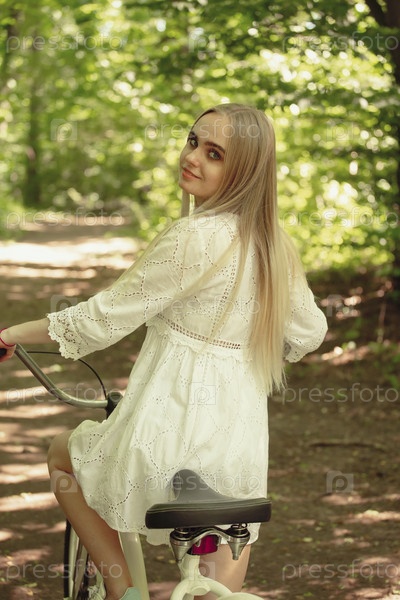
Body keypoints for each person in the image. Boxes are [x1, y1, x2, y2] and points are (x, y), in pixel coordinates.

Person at [0, 104, 328, 600]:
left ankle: (123, 589)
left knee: (63, 457)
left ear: (243, 171)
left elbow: (101, 318)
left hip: (163, 439)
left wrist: (10, 334)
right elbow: (309, 333)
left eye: (214, 154)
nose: (192, 157)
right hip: (237, 453)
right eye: (194, 141)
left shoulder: (192, 237)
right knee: (215, 586)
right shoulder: (274, 246)